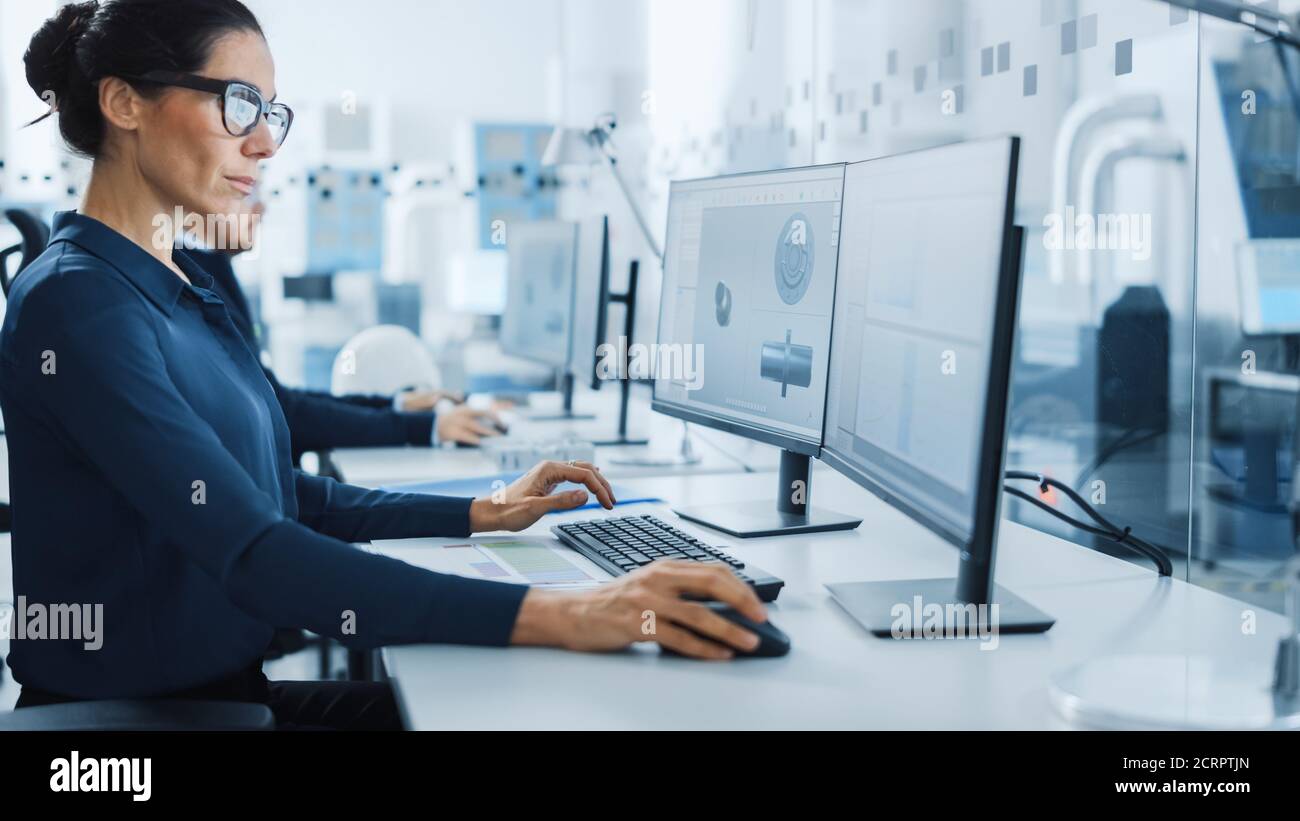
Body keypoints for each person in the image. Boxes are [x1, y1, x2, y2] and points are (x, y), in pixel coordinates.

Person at [1, 0, 766, 731]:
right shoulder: (79, 306)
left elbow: (278, 496)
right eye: (238, 103)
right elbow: (256, 554)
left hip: (225, 700)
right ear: (125, 104)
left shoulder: (178, 286)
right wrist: (570, 611)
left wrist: (480, 511)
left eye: (270, 113)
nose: (265, 142)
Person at [184, 206, 505, 458]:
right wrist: (427, 427)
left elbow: (281, 400)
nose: (261, 209)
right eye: (248, 193)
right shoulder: (194, 278)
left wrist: (397, 404)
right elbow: (287, 414)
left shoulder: (211, 268)